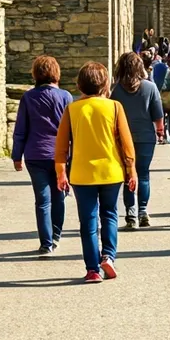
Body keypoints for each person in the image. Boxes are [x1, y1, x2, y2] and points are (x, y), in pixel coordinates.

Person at [55, 62, 138, 284]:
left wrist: (60, 172)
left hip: (82, 173)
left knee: (88, 221)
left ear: (79, 85)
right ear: (105, 84)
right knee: (110, 213)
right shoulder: (114, 107)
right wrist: (131, 170)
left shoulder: (72, 109)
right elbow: (126, 143)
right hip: (111, 170)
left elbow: (61, 146)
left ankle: (92, 269)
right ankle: (108, 256)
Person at [12, 55, 74, 254]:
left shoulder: (29, 97)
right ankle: (56, 234)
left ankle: (45, 242)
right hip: (60, 154)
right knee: (59, 196)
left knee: (42, 199)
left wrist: (16, 155)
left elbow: (21, 128)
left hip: (35, 153)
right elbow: (71, 130)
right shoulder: (65, 97)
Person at [112, 52, 165, 230]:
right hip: (145, 137)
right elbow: (158, 115)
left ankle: (130, 213)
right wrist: (160, 131)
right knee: (143, 174)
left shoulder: (115, 89)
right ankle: (142, 210)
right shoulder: (150, 87)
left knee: (128, 175)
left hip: (122, 138)